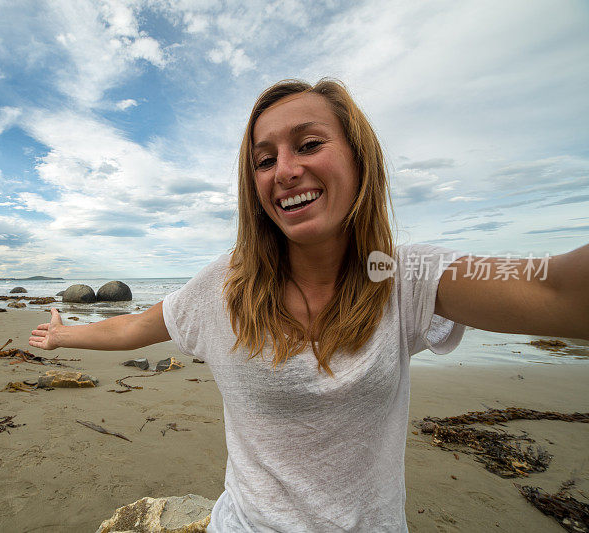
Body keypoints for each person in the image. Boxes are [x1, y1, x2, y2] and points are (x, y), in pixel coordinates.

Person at [29, 78, 589, 532]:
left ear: (358, 158)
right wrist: (62, 334)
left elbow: (555, 289)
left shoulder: (405, 276)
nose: (285, 170)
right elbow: (135, 328)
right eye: (263, 159)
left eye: (309, 144)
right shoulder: (224, 287)